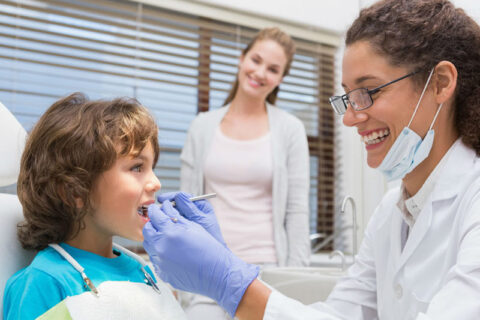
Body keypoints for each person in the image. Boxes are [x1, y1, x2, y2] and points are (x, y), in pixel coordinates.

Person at [143, 0, 480, 319]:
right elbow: (335, 315)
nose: (349, 118)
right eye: (347, 97)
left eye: (369, 91)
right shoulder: (390, 213)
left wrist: (229, 282)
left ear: (440, 83)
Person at [3, 93, 186, 319]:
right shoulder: (45, 283)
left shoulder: (142, 271)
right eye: (137, 167)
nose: (156, 183)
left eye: (152, 167)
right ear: (75, 191)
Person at [177, 27, 310, 318]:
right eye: (256, 60)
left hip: (267, 273)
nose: (260, 72)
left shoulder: (290, 129)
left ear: (280, 79)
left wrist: (296, 280)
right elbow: (185, 207)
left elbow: (297, 210)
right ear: (241, 59)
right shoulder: (201, 126)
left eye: (273, 69)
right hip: (210, 270)